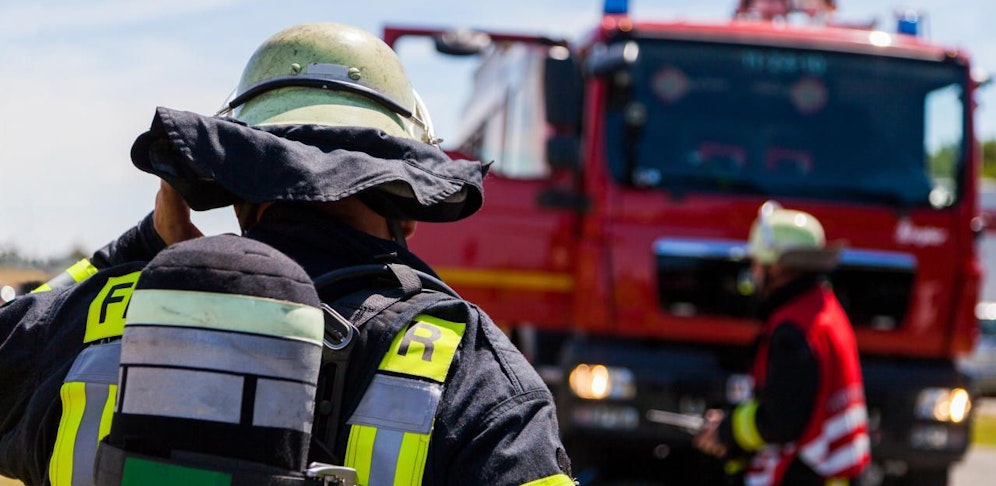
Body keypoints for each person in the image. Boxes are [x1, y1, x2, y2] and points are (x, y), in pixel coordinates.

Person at [0, 22, 575, 486]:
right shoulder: (468, 369)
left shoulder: (97, 321)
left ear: (238, 188)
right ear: (409, 207)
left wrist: (134, 251)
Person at [693, 201, 870, 485]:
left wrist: (727, 430)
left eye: (756, 263)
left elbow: (781, 420)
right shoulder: (823, 308)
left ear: (775, 266)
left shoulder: (793, 328)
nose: (753, 271)